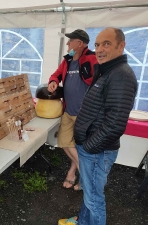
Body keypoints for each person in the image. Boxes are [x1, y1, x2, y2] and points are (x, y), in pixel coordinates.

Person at [58, 27, 138, 225]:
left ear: (121, 46)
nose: (100, 49)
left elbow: (115, 124)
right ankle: (82, 222)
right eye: (98, 44)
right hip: (92, 149)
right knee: (90, 194)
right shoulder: (107, 71)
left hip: (97, 151)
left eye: (107, 44)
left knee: (95, 200)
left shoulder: (121, 75)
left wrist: (88, 146)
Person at [48, 29, 97, 190]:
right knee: (64, 142)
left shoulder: (92, 58)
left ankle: (73, 173)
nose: (68, 43)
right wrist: (54, 81)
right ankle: (87, 174)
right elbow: (56, 74)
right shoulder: (67, 60)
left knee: (81, 147)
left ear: (81, 43)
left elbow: (99, 83)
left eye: (71, 40)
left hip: (85, 114)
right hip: (69, 111)